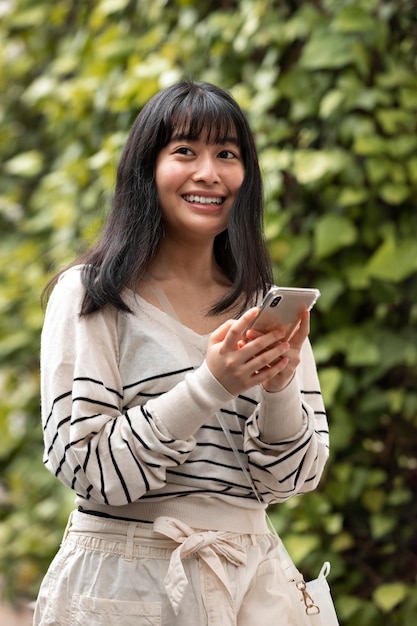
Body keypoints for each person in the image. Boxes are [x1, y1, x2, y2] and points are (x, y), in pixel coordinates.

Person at [34, 80, 329, 626]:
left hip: (254, 584)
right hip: (127, 583)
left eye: (227, 155)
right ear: (147, 168)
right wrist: (208, 386)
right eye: (185, 151)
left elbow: (290, 481)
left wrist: (279, 386)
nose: (209, 173)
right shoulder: (93, 295)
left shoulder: (264, 309)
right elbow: (89, 468)